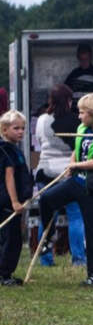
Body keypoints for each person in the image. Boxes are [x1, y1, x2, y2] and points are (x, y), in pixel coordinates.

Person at [38, 93, 93, 287]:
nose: (79, 116)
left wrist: (76, 166)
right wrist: (71, 165)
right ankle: (48, 239)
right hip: (77, 181)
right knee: (46, 199)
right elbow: (76, 151)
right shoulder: (82, 128)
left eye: (82, 112)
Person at [35, 84, 86, 267]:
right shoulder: (76, 122)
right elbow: (78, 148)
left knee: (47, 218)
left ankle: (45, 259)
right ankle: (78, 259)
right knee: (75, 216)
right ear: (69, 101)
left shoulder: (41, 120)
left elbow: (40, 141)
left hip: (45, 171)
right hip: (67, 172)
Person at [0, 110, 33, 286]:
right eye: (16, 128)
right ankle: (4, 274)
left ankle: (7, 272)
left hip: (17, 201)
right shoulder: (5, 150)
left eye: (23, 128)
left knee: (16, 238)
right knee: (9, 238)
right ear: (4, 130)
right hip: (7, 202)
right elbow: (9, 176)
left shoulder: (15, 149)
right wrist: (14, 201)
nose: (20, 132)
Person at [64, 44, 93, 109]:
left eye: (86, 59)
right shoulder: (73, 75)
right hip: (75, 111)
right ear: (78, 58)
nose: (84, 62)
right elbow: (65, 93)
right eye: (81, 59)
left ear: (90, 58)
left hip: (91, 112)